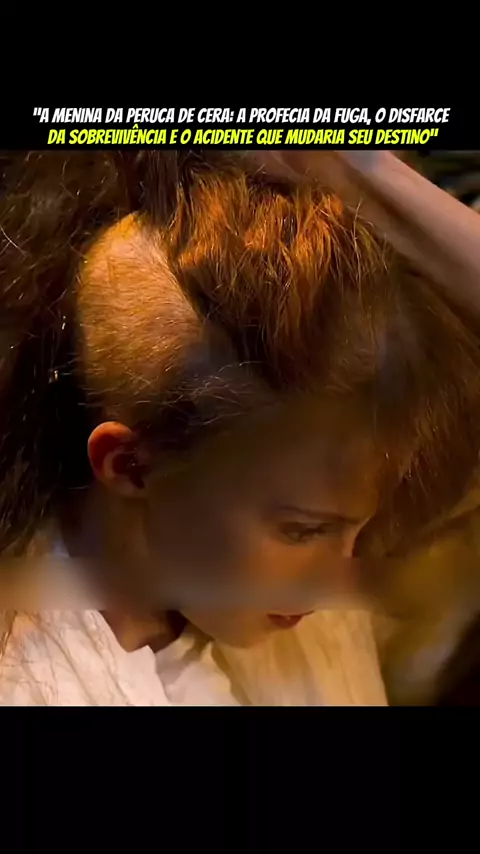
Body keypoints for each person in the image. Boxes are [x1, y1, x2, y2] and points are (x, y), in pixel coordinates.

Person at [1, 149, 480, 706]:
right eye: (301, 530)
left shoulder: (289, 599)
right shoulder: (28, 679)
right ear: (130, 464)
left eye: (357, 527)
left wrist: (351, 173)